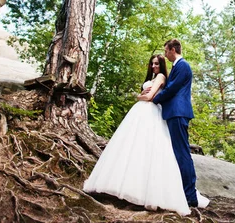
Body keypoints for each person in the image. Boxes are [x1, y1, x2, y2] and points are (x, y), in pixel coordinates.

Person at [83, 54, 191, 215]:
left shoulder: (161, 76)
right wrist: (142, 96)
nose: (153, 66)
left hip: (151, 112)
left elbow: (148, 97)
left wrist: (138, 96)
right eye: (152, 63)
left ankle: (146, 192)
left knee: (148, 147)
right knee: (130, 147)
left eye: (156, 64)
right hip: (140, 113)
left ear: (162, 65)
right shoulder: (153, 77)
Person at [140, 39, 207, 208]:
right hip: (174, 113)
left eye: (166, 51)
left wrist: (154, 99)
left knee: (182, 153)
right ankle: (183, 193)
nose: (165, 54)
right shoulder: (178, 67)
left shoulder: (183, 66)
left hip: (178, 113)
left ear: (172, 50)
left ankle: (190, 196)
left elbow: (172, 89)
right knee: (177, 153)